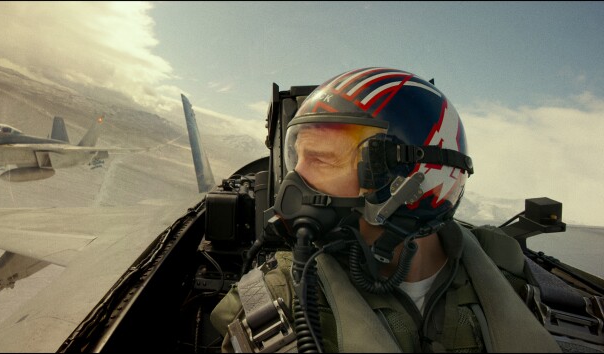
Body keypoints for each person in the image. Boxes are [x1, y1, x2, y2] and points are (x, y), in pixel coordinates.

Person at [210, 67, 562, 353]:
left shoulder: (529, 291)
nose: (295, 182)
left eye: (322, 159)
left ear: (411, 181)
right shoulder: (277, 303)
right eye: (297, 158)